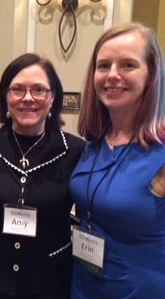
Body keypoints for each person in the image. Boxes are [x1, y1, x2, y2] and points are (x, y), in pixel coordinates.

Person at [0, 53, 85, 298]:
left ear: (53, 97)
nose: (28, 98)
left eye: (39, 89)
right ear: (6, 96)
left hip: (50, 283)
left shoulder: (75, 151)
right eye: (18, 89)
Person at [70, 22, 165, 298]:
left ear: (151, 75)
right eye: (103, 66)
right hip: (82, 285)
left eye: (127, 65)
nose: (112, 75)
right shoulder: (94, 143)